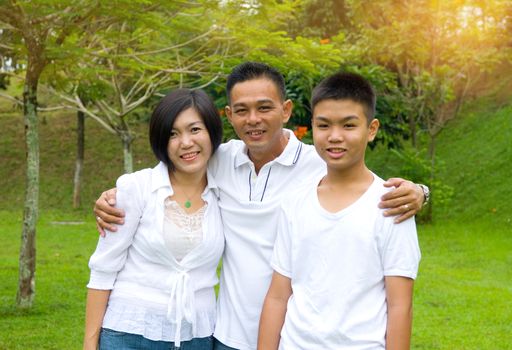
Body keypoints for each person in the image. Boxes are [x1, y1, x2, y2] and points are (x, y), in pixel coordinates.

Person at [94, 62, 427, 350]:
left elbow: (365, 186)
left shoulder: (319, 162)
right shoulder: (218, 159)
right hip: (224, 334)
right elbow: (173, 170)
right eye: (241, 110)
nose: (253, 119)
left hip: (289, 336)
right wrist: (116, 194)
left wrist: (420, 192)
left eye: (265, 108)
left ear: (286, 110)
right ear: (229, 116)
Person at [258, 72, 421, 349]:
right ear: (312, 127)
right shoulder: (295, 202)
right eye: (324, 125)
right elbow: (277, 296)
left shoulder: (391, 206)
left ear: (371, 129)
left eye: (348, 125)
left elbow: (400, 307)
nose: (335, 137)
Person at [84, 89, 225, 350]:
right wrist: (90, 345)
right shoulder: (137, 188)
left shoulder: (226, 190)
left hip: (197, 336)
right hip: (129, 334)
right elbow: (103, 270)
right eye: (173, 133)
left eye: (195, 129)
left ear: (212, 132)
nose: (185, 142)